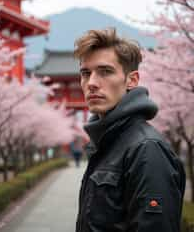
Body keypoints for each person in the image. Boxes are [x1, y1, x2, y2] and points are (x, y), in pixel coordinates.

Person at [74, 28, 185, 232]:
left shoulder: (147, 149)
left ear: (132, 80)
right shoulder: (107, 142)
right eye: (85, 73)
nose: (91, 83)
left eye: (105, 72)